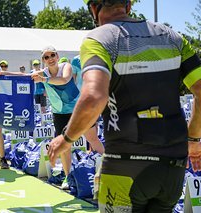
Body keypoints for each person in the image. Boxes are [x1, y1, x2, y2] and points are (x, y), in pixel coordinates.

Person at [48, 0, 201, 212]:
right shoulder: (171, 36)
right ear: (128, 5)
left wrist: (66, 139)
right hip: (172, 166)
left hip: (126, 164)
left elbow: (93, 97)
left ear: (93, 8)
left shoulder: (99, 39)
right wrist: (193, 139)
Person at [30, 45, 104, 189]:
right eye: (46, 57)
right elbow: (26, 76)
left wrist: (44, 80)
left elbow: (63, 80)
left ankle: (109, 170)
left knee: (92, 139)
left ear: (57, 56)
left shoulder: (66, 66)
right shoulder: (43, 73)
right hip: (59, 113)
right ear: (43, 60)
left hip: (78, 109)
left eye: (52, 55)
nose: (50, 59)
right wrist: (4, 73)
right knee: (65, 147)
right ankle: (68, 176)